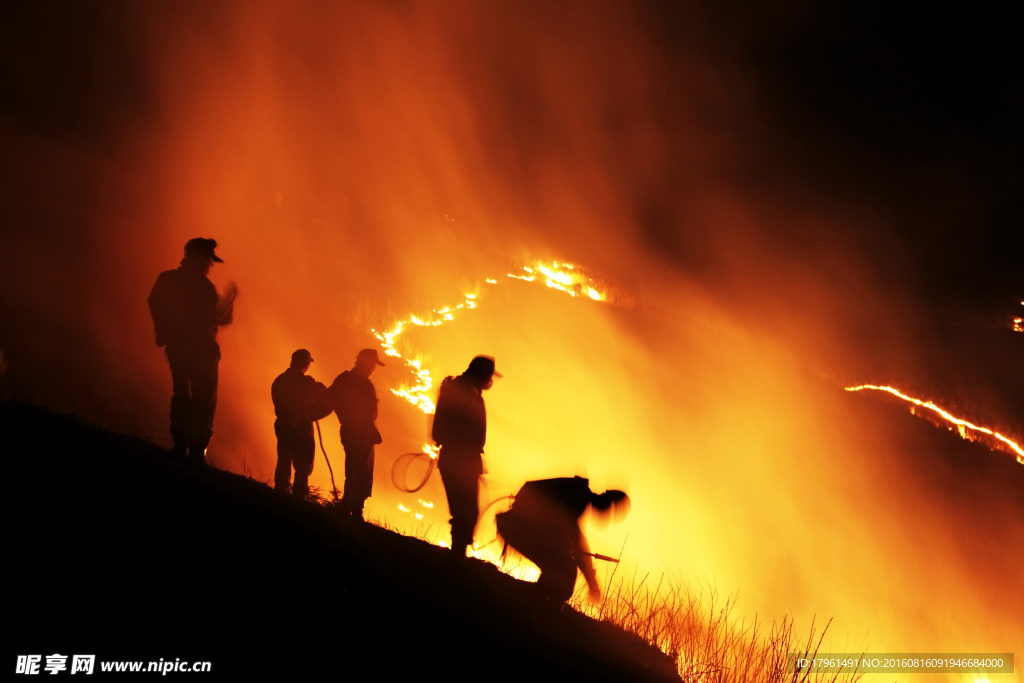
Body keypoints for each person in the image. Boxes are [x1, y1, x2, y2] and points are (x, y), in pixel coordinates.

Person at [148, 238, 237, 468]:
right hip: (202, 353)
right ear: (199, 258)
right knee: (203, 402)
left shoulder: (167, 279)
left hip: (177, 349)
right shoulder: (203, 287)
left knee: (181, 396)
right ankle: (196, 454)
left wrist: (165, 335)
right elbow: (220, 318)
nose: (211, 265)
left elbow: (155, 302)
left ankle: (179, 447)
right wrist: (229, 300)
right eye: (209, 260)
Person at [496, 476, 629, 604]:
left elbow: (574, 539)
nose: (608, 515)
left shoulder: (579, 496)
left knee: (563, 568)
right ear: (608, 500)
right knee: (564, 570)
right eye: (611, 510)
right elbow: (576, 541)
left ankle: (537, 602)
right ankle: (535, 605)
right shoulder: (578, 497)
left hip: (514, 526)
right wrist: (591, 581)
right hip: (516, 528)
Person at [431, 355, 500, 560]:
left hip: (460, 458)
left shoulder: (462, 388)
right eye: (488, 375)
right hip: (460, 459)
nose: (490, 380)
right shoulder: (465, 391)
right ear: (480, 374)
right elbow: (464, 429)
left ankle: (458, 553)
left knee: (466, 510)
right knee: (466, 511)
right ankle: (457, 557)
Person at [313, 349, 385, 519]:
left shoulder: (344, 379)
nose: (374, 369)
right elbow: (370, 413)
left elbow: (327, 402)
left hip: (349, 431)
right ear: (367, 363)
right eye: (374, 364)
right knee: (362, 471)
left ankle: (347, 505)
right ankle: (356, 510)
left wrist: (311, 413)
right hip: (363, 433)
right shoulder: (364, 384)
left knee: (352, 468)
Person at [271, 349, 327, 498]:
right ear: (306, 365)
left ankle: (279, 492)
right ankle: (299, 496)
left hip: (283, 426)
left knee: (284, 459)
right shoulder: (307, 384)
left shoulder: (280, 380)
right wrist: (312, 414)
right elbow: (326, 396)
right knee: (303, 466)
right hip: (302, 429)